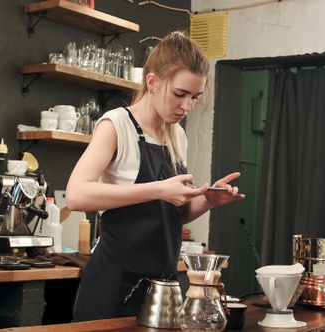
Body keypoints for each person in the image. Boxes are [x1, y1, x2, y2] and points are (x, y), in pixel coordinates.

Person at [65, 30, 245, 322]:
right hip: (112, 284)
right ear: (152, 82)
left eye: (195, 97)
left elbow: (173, 213)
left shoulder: (177, 136)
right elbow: (75, 195)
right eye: (179, 94)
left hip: (162, 288)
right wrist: (159, 190)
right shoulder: (116, 125)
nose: (186, 106)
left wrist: (208, 200)